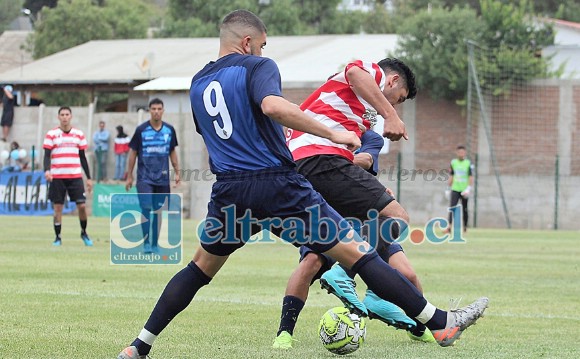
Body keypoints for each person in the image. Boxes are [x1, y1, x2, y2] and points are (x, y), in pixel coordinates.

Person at [117, 10, 487, 359]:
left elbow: (214, 134)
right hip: (277, 183)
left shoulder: (198, 82)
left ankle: (139, 345)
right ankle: (439, 323)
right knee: (358, 253)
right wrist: (332, 131)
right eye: (262, 45)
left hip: (229, 189)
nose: (264, 52)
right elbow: (274, 108)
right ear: (247, 42)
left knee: (199, 269)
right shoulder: (258, 66)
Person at [125, 98, 180, 254]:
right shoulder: (141, 130)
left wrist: (177, 172)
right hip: (144, 178)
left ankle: (155, 244)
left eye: (159, 108)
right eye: (153, 109)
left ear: (163, 110)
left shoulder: (169, 130)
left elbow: (172, 152)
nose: (156, 111)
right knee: (146, 208)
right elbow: (133, 153)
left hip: (162, 178)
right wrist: (129, 176)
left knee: (159, 211)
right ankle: (146, 243)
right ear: (149, 110)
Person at [43, 107, 93, 247]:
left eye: (67, 114)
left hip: (75, 176)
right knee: (58, 208)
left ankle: (84, 232)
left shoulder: (78, 134)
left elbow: (83, 158)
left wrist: (88, 178)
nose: (65, 117)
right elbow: (47, 156)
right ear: (58, 117)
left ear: (71, 116)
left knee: (82, 206)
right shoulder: (52, 134)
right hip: (57, 177)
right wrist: (47, 170)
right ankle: (57, 237)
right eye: (62, 115)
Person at [447, 145, 474, 233]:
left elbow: (470, 176)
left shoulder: (468, 163)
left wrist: (469, 188)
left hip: (464, 190)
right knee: (452, 208)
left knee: (465, 209)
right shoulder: (454, 162)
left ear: (465, 153)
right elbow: (451, 175)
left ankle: (465, 227)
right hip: (455, 188)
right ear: (457, 153)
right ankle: (449, 227)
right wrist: (448, 188)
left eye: (463, 152)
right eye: (459, 152)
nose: (461, 154)